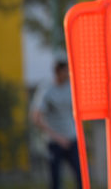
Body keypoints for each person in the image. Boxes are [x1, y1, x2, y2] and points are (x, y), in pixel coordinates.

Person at [31, 60, 82, 189]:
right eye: (66, 71)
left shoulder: (71, 87)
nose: (68, 74)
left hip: (72, 139)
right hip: (54, 142)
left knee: (81, 177)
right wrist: (57, 137)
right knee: (55, 180)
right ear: (58, 72)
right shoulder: (46, 89)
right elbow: (36, 117)